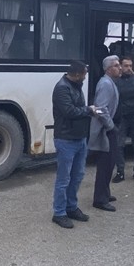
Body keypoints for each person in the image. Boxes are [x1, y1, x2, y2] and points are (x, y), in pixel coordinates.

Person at [50, 60, 99, 228]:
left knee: (77, 176)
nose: (86, 77)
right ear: (77, 74)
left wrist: (86, 110)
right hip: (66, 139)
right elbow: (69, 111)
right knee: (64, 178)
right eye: (84, 73)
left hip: (79, 138)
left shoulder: (76, 85)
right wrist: (89, 110)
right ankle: (59, 213)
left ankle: (71, 207)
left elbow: (76, 107)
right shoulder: (62, 87)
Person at [88, 55, 121, 211]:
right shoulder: (106, 84)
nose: (120, 67)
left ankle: (105, 193)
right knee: (105, 165)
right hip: (105, 131)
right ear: (108, 69)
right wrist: (111, 126)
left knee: (109, 163)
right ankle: (100, 199)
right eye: (116, 65)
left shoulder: (108, 82)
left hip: (106, 129)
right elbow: (101, 108)